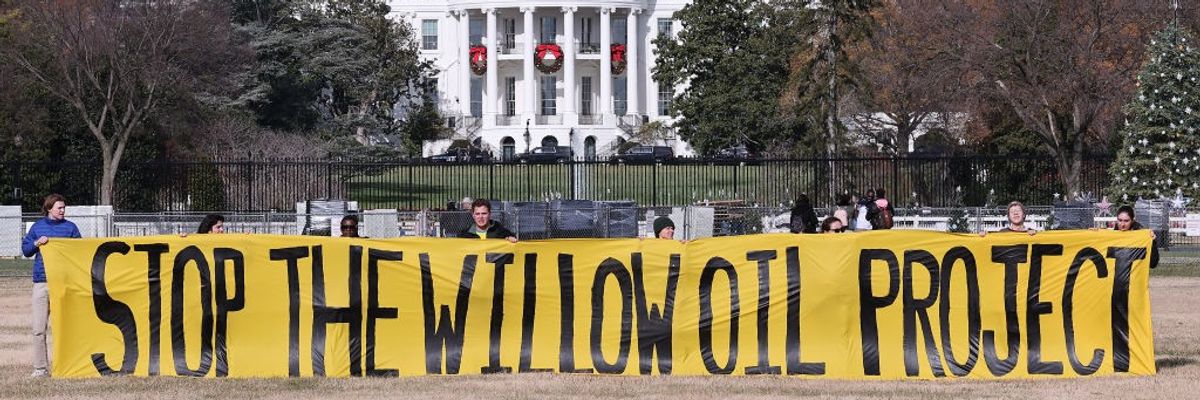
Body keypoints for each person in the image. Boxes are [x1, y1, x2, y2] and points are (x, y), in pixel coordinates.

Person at [21, 193, 81, 378]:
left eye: (64, 208)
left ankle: (68, 366)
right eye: (59, 208)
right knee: (39, 329)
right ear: (49, 209)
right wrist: (37, 243)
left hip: (64, 284)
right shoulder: (38, 228)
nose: (63, 211)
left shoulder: (71, 228)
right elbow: (26, 250)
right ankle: (40, 368)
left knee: (65, 328)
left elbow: (79, 252)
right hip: (42, 282)